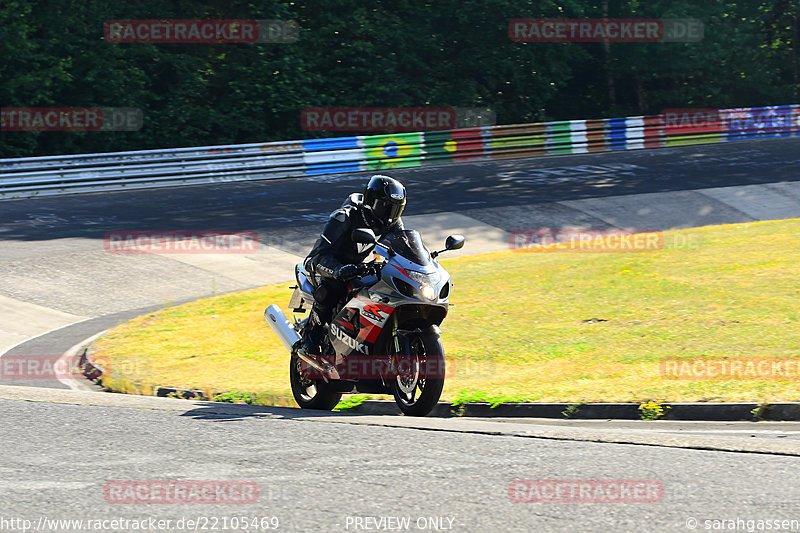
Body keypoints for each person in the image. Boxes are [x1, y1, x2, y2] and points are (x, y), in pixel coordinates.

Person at [300, 175, 406, 354]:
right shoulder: (344, 218)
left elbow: (402, 246)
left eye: (396, 209)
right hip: (324, 265)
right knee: (332, 288)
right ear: (372, 202)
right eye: (385, 207)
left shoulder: (390, 222)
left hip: (357, 267)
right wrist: (338, 270)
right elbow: (319, 256)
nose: (390, 214)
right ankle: (312, 333)